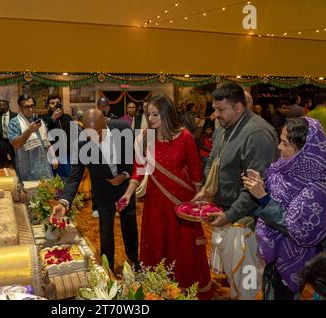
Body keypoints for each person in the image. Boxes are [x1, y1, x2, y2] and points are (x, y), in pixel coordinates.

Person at [119, 95, 212, 299]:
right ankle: (157, 292)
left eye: (155, 114)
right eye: (148, 114)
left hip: (181, 205)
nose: (151, 119)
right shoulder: (146, 138)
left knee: (182, 248)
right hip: (155, 205)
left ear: (167, 113)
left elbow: (196, 173)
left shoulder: (185, 136)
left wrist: (199, 200)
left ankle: (184, 291)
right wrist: (127, 194)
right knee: (157, 246)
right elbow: (138, 170)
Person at [192, 82, 279, 300]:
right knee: (234, 270)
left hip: (246, 218)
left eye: (220, 109)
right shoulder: (223, 127)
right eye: (215, 109)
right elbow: (214, 159)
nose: (215, 114)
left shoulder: (257, 134)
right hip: (225, 212)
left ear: (238, 108)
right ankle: (234, 294)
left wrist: (229, 216)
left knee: (247, 274)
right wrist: (205, 189)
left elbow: (254, 186)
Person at [242, 117, 326, 300]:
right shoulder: (285, 168)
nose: (279, 147)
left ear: (303, 150)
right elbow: (280, 200)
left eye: (285, 143)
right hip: (273, 255)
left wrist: (263, 198)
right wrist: (262, 186)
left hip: (295, 258)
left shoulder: (319, 187)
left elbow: (297, 228)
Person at [50, 109, 139, 271]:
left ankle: (135, 263)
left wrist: (125, 174)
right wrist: (63, 202)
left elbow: (132, 156)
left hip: (126, 189)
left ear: (106, 122)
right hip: (103, 191)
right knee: (105, 233)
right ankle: (108, 270)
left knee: (130, 228)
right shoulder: (81, 144)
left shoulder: (123, 128)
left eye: (98, 133)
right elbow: (75, 176)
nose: (95, 138)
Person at [8, 94, 58, 182]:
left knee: (48, 193)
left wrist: (53, 156)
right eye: (27, 107)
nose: (30, 109)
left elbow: (47, 141)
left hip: (45, 168)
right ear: (20, 108)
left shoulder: (39, 120)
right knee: (30, 194)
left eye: (32, 106)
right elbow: (15, 144)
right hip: (27, 170)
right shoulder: (14, 123)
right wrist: (29, 131)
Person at [42, 95, 75, 178]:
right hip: (54, 156)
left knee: (69, 179)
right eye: (52, 103)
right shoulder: (44, 118)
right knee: (55, 181)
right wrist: (52, 119)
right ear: (48, 105)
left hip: (68, 155)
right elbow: (44, 134)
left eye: (57, 103)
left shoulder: (67, 117)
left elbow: (74, 135)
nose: (55, 105)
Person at [0, 100, 17, 168]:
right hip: (1, 143)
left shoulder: (15, 116)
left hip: (13, 142)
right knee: (2, 162)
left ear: (6, 106)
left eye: (0, 105)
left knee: (15, 161)